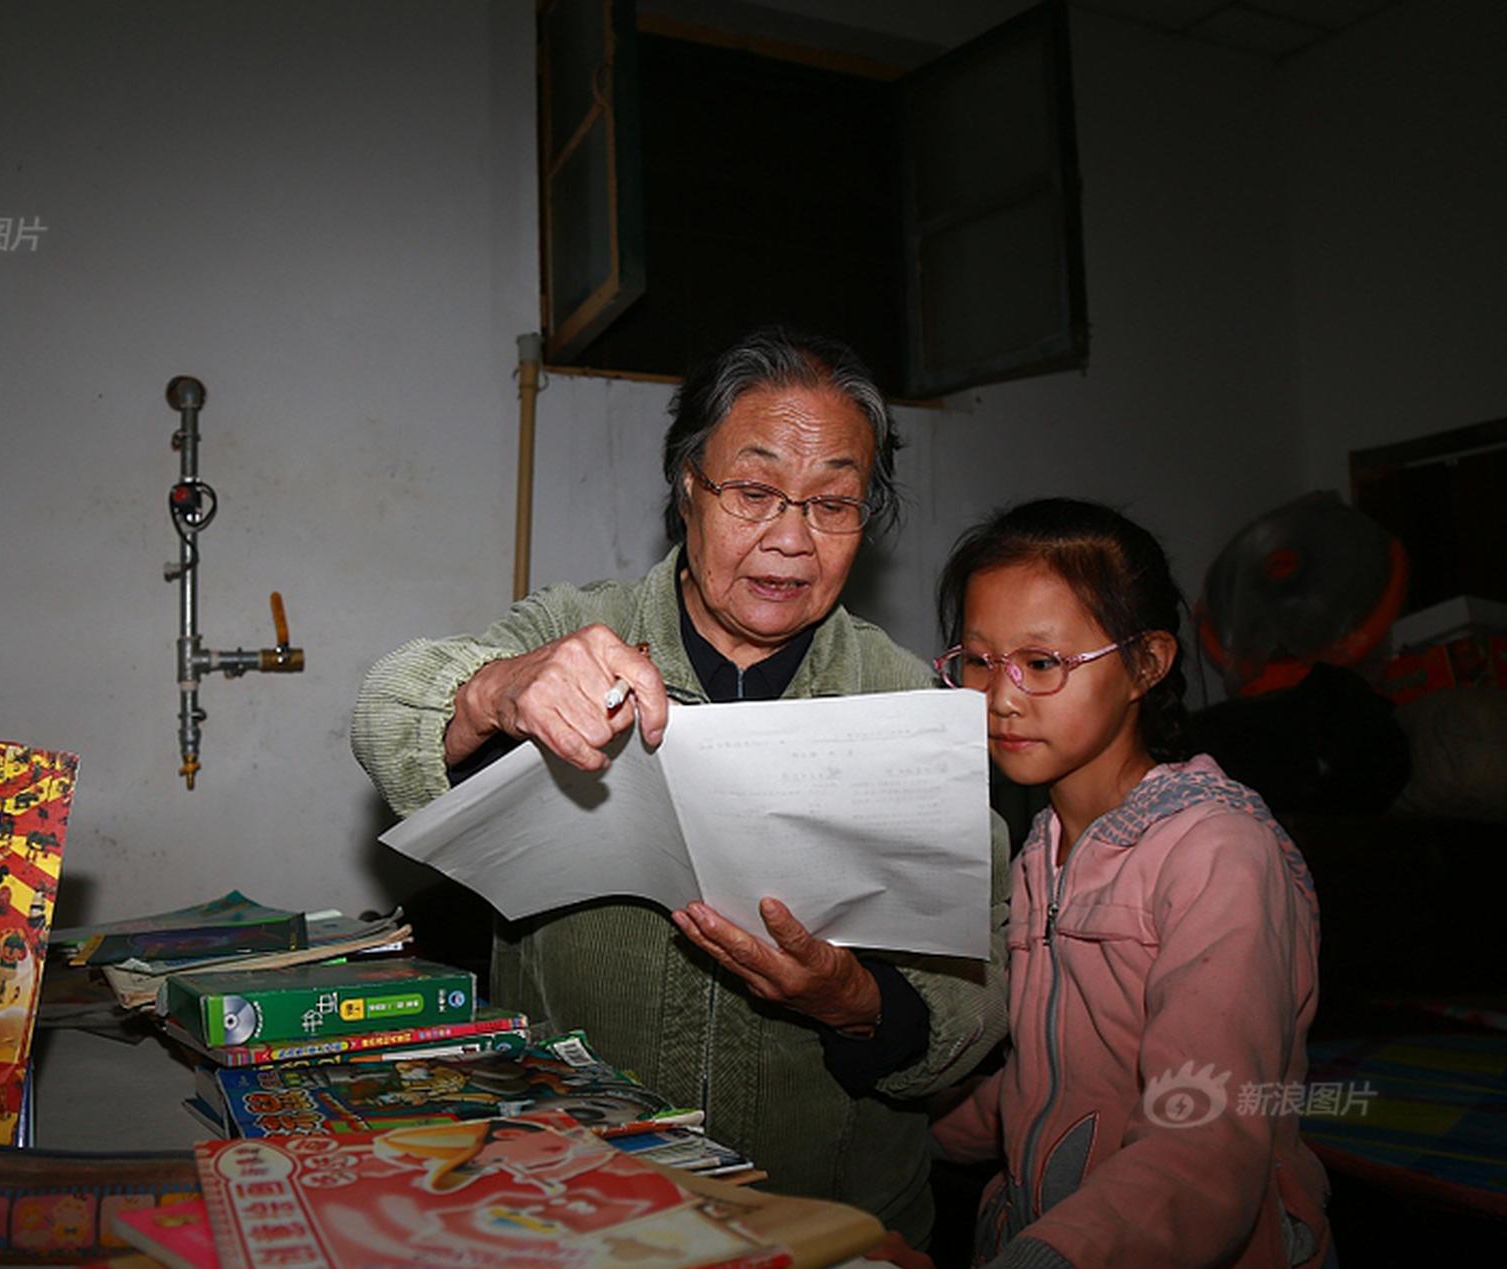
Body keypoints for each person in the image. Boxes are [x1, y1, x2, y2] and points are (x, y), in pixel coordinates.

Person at [352, 326, 1009, 1247]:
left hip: (827, 1225)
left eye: (833, 503)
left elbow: (979, 990)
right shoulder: (580, 629)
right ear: (687, 485)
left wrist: (852, 1001)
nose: (791, 539)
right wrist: (496, 690)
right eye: (753, 492)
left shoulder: (904, 704)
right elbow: (385, 710)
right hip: (569, 1204)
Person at [884, 498, 1329, 1268]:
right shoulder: (1040, 850)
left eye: (1042, 662)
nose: (1000, 696)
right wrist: (882, 1131)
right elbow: (1043, 1083)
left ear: (1146, 664)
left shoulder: (1217, 852)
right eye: (979, 661)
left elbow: (1205, 1147)